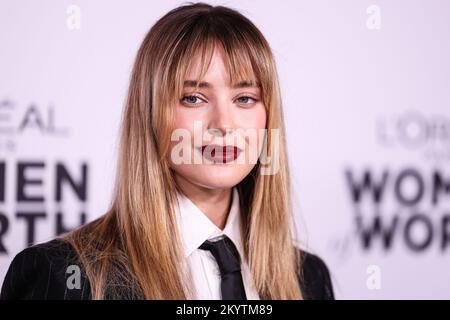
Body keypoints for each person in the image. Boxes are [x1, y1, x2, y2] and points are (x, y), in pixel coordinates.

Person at [1, 2, 334, 300]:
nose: (224, 124)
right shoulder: (64, 276)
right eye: (194, 98)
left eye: (244, 98)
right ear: (151, 114)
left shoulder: (309, 278)